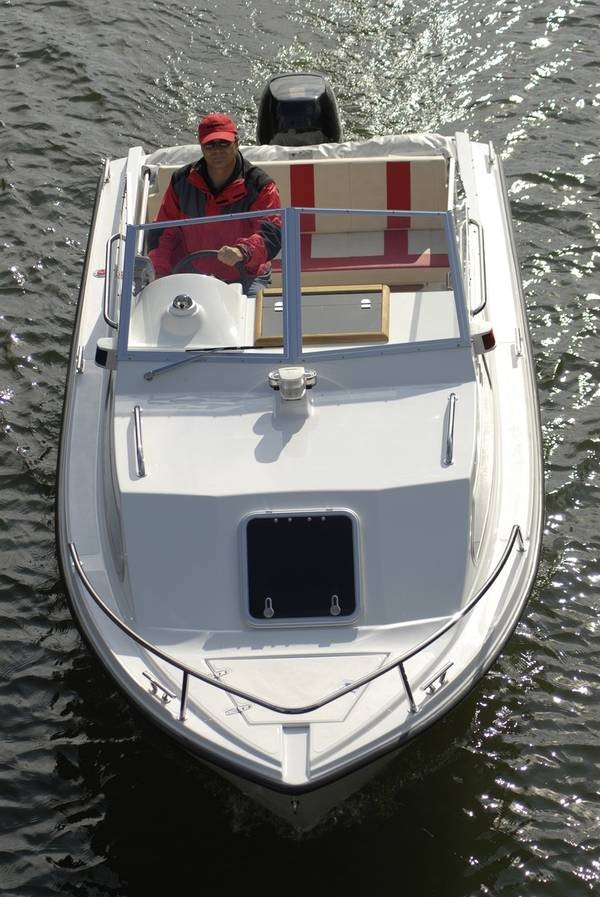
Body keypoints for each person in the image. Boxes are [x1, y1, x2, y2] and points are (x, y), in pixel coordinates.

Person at [148, 113, 281, 297]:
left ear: (236, 143)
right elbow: (163, 231)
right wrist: (159, 273)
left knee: (248, 315)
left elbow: (270, 235)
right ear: (201, 146)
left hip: (247, 275)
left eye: (223, 143)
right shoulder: (181, 181)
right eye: (210, 145)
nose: (217, 150)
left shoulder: (261, 186)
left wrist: (242, 251)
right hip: (194, 271)